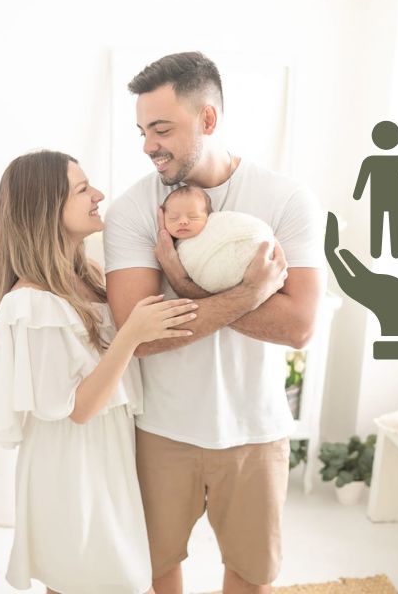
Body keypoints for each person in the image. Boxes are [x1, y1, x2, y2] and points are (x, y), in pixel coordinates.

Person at [104, 52, 325, 594]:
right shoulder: (133, 211)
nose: (148, 145)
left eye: (161, 129)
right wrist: (250, 293)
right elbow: (138, 338)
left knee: (251, 576)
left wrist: (184, 285)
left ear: (207, 119)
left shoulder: (285, 199)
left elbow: (298, 326)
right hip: (161, 429)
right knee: (154, 571)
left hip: (256, 429)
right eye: (142, 132)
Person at [0, 150, 198, 594]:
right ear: (46, 208)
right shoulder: (30, 304)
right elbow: (78, 408)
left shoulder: (92, 276)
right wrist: (131, 334)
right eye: (83, 189)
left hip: (106, 455)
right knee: (88, 577)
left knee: (111, 576)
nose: (98, 195)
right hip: (70, 467)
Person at [162, 185, 279, 294]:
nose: (183, 222)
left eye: (193, 217)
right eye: (173, 218)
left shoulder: (217, 225)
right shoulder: (168, 250)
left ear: (209, 216)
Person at [352, 120, 398, 258]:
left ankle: (387, 250)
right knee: (389, 223)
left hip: (383, 198)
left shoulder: (372, 161)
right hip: (390, 198)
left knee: (384, 223)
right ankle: (393, 250)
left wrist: (358, 194)